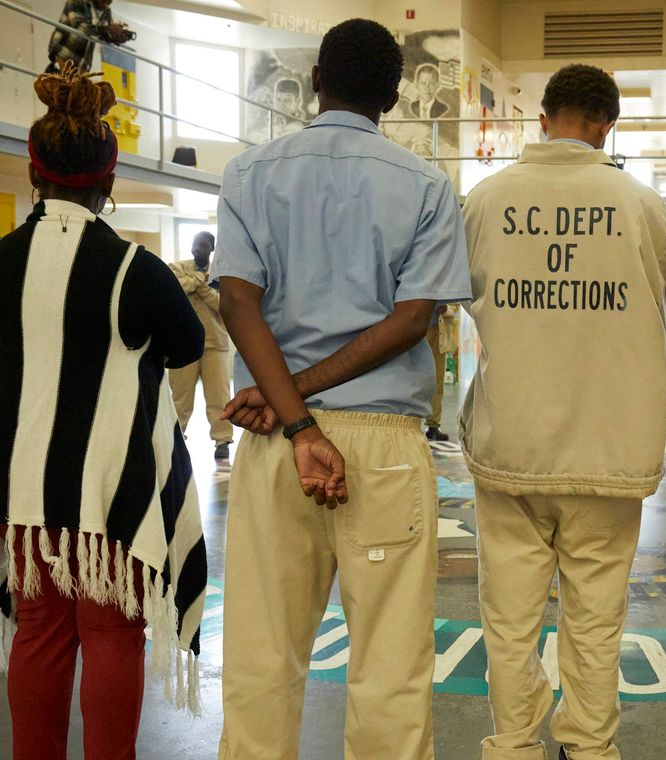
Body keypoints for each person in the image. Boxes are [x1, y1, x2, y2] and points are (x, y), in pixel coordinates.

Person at [212, 19, 470, 760]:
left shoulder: (249, 174)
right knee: (391, 665)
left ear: (317, 77)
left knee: (263, 655)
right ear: (393, 96)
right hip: (383, 448)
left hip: (274, 440)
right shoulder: (423, 184)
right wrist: (301, 408)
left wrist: (293, 414)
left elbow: (238, 302)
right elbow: (412, 320)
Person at [460, 63, 666, 760]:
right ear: (610, 123)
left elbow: (467, 295)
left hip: (512, 443)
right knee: (596, 616)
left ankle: (515, 744)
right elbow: (663, 300)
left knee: (510, 617)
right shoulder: (639, 204)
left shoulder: (488, 199)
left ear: (543, 115)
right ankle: (588, 747)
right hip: (608, 446)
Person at [0, 62, 206, 759]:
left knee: (39, 631)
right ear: (108, 183)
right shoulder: (136, 270)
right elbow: (187, 348)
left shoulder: (0, 262)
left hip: (25, 491)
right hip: (115, 492)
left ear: (34, 174)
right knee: (115, 635)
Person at [168, 231, 235, 460]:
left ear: (212, 248)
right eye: (195, 243)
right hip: (182, 343)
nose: (198, 248)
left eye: (203, 244)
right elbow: (173, 289)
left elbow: (222, 305)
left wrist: (203, 288)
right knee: (180, 397)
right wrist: (198, 279)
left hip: (214, 344)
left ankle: (222, 440)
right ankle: (176, 436)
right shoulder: (177, 267)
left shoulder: (222, 274)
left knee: (219, 396)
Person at [47, 0, 132, 74]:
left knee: (77, 90)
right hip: (64, 54)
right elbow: (80, 27)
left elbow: (105, 34)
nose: (108, 3)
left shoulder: (106, 11)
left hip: (83, 62)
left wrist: (117, 37)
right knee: (62, 88)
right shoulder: (76, 2)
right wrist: (108, 29)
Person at [425, 302, 456, 441]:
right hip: (413, 327)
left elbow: (456, 304)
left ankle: (433, 425)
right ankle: (407, 420)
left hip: (438, 331)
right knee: (409, 377)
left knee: (437, 380)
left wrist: (447, 309)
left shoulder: (448, 280)